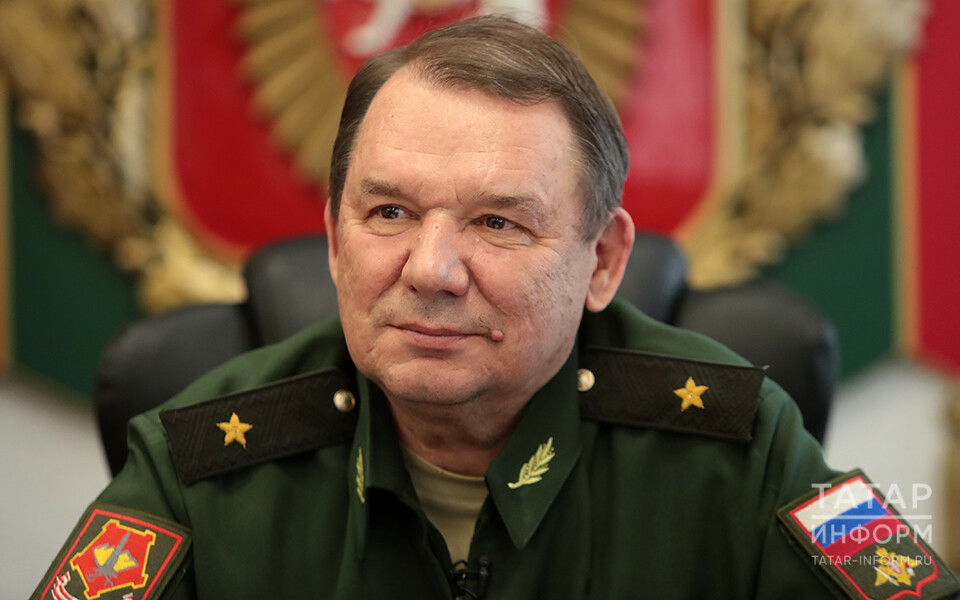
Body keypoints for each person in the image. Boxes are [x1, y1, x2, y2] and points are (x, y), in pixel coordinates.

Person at [32, 15, 958, 600]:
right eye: (389, 213)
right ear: (334, 240)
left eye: (497, 223)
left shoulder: (741, 440)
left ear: (603, 262)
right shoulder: (200, 464)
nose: (431, 270)